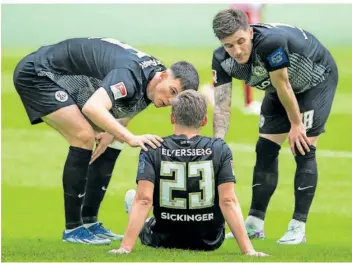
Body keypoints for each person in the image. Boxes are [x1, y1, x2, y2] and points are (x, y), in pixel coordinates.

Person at [13, 37, 199, 245]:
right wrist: (130, 138)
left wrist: (116, 134)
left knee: (113, 138)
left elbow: (127, 111)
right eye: (173, 91)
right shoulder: (130, 76)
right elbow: (92, 107)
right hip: (39, 74)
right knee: (84, 136)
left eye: (177, 99)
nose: (171, 101)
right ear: (164, 76)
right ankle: (73, 229)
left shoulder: (154, 81)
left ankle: (90, 222)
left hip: (64, 76)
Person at [211, 9, 338, 244]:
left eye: (241, 41)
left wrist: (297, 124)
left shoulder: (270, 43)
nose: (237, 51)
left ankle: (297, 227)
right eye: (229, 45)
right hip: (277, 86)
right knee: (265, 149)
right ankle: (254, 224)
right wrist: (218, 143)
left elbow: (284, 84)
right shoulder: (221, 59)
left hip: (315, 80)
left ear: (250, 32)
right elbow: (221, 106)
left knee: (303, 147)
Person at [109, 90, 268, 257]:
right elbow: (228, 200)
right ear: (204, 120)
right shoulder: (220, 149)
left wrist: (125, 248)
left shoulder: (152, 148)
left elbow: (144, 200)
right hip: (209, 240)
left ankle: (147, 223)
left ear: (172, 118)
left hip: (161, 238)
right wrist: (249, 250)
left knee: (134, 197)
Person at [201, 3, 264, 115]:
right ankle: (248, 103)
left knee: (242, 62)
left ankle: (212, 87)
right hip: (243, 16)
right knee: (245, 62)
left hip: (245, 16)